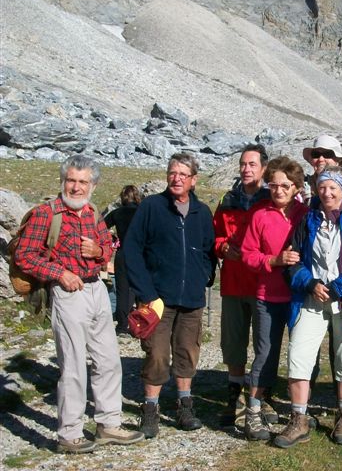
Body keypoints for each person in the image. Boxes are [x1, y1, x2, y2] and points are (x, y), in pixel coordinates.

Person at [14, 155, 144, 453]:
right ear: (63, 181)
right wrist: (59, 273)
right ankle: (69, 433)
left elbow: (107, 247)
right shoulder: (47, 213)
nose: (76, 187)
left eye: (82, 181)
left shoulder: (93, 212)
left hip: (96, 288)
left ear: (93, 185)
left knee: (109, 359)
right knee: (72, 366)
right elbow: (24, 255)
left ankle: (108, 424)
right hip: (67, 293)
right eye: (71, 180)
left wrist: (99, 250)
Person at [274, 167, 342, 448]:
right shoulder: (307, 221)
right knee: (298, 353)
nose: (327, 193)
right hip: (312, 298)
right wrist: (311, 284)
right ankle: (298, 420)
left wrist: (336, 288)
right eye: (322, 188)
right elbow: (293, 261)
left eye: (333, 188)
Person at [124, 152, 215, 439]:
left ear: (193, 180)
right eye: (172, 173)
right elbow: (131, 249)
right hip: (157, 299)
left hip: (191, 298)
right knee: (157, 353)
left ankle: (184, 406)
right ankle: (150, 409)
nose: (177, 178)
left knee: (188, 352)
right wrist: (146, 292)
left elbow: (209, 250)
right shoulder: (152, 207)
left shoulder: (202, 211)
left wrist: (205, 277)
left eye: (183, 174)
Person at [240, 156, 308, 441]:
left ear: (296, 187)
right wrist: (274, 260)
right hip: (267, 295)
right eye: (274, 185)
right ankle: (252, 411)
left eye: (285, 185)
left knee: (303, 354)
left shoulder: (306, 213)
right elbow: (247, 254)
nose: (278, 190)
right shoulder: (259, 214)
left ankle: (300, 412)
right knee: (266, 353)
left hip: (300, 296)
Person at [213, 143, 272, 427]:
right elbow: (215, 236)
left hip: (263, 283)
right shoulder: (228, 200)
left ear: (264, 169)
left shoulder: (273, 198)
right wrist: (223, 247)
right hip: (234, 282)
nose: (246, 169)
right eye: (243, 164)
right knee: (233, 343)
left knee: (264, 344)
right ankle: (234, 396)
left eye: (252, 164)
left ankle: (263, 395)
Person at [104, 185, 142, 335]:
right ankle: (139, 323)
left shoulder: (116, 213)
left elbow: (100, 227)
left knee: (122, 290)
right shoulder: (142, 213)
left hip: (122, 253)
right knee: (138, 289)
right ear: (137, 196)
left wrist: (112, 239)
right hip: (139, 254)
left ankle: (122, 325)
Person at [301, 134, 342, 204]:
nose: (321, 159)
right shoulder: (301, 185)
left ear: (339, 161)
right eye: (316, 154)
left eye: (327, 154)